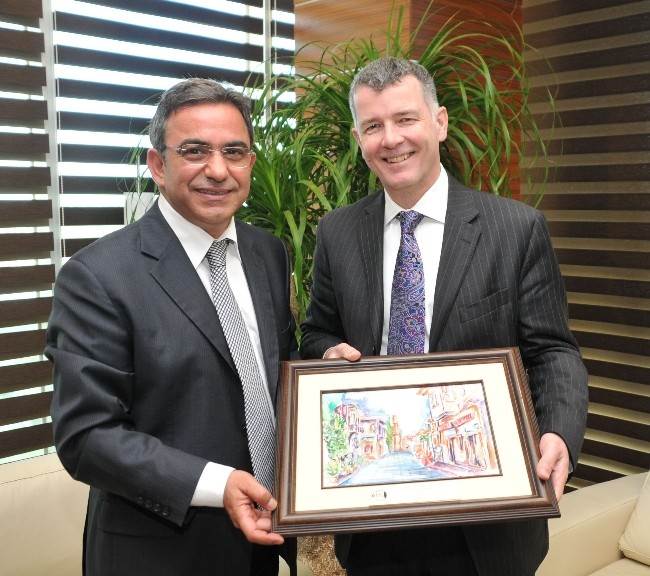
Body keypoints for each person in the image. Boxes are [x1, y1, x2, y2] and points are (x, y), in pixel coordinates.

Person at [300, 57, 588, 576]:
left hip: (489, 527)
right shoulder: (337, 233)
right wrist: (327, 353)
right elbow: (317, 331)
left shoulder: (515, 228)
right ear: (359, 139)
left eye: (405, 119)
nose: (391, 139)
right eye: (373, 126)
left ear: (439, 123)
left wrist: (559, 433)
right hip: (373, 525)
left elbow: (552, 351)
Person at [46, 78, 296, 576]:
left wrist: (327, 371)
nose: (218, 170)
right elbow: (86, 436)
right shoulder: (97, 276)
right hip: (160, 552)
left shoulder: (268, 253)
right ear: (158, 165)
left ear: (250, 162)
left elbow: (269, 377)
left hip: (263, 541)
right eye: (195, 151)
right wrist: (217, 484)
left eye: (234, 152)